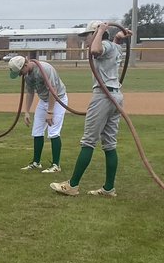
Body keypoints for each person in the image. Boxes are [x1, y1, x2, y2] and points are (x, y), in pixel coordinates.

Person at [51, 20, 132, 197]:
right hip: (115, 96)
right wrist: (118, 38)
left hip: (103, 96)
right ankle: (109, 188)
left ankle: (72, 185)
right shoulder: (113, 46)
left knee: (88, 141)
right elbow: (111, 48)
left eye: (87, 36)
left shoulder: (102, 45)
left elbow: (95, 50)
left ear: (95, 34)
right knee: (109, 144)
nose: (85, 40)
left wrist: (101, 30)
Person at [9, 54, 67, 174]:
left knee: (53, 132)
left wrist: (50, 112)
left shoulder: (44, 69)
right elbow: (30, 92)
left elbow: (53, 91)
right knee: (37, 131)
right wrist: (26, 112)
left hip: (57, 100)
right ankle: (36, 162)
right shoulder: (28, 75)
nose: (20, 75)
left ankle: (56, 165)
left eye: (20, 72)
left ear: (25, 65)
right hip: (44, 100)